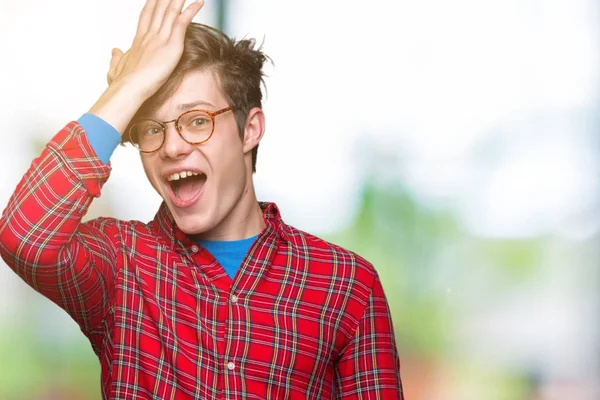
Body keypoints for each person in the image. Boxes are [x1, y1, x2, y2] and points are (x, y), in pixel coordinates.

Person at [0, 0, 404, 398]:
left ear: (250, 130)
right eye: (152, 128)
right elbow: (24, 235)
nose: (172, 146)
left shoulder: (347, 284)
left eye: (197, 121)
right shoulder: (121, 264)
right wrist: (129, 87)